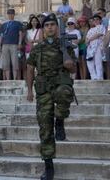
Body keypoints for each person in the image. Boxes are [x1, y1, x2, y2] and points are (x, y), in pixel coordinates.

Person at [26, 13, 76, 180]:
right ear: (43, 29)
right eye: (46, 25)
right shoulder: (37, 48)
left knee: (65, 93)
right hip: (43, 89)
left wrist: (70, 65)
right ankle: (48, 166)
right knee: (45, 126)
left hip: (61, 83)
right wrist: (29, 90)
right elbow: (29, 70)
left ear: (57, 27)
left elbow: (74, 69)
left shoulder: (65, 45)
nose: (49, 28)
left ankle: (60, 120)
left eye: (52, 25)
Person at [0, 8, 23, 80]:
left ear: (14, 14)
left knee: (15, 62)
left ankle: (15, 78)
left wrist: (19, 43)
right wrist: (0, 45)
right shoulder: (4, 24)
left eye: (11, 13)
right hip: (5, 44)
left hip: (14, 44)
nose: (10, 15)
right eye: (9, 13)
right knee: (6, 63)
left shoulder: (18, 23)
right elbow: (2, 35)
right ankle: (8, 79)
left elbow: (20, 34)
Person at [86, 15, 105, 80]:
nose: (95, 21)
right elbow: (86, 39)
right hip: (90, 48)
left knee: (98, 62)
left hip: (98, 47)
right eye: (94, 20)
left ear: (100, 20)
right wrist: (87, 41)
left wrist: (89, 39)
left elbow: (98, 35)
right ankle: (93, 77)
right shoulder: (90, 29)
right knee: (90, 62)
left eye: (97, 19)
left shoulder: (102, 27)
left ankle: (100, 77)